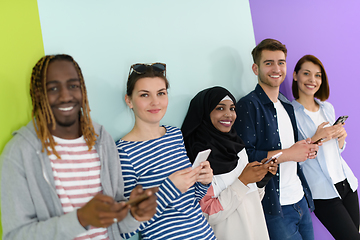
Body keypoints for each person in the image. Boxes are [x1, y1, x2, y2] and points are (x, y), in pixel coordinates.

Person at [0, 54, 157, 240]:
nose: (65, 96)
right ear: (38, 94)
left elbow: (117, 222)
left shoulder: (102, 140)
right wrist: (80, 219)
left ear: (82, 89)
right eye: (53, 88)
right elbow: (15, 236)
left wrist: (134, 214)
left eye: (73, 86)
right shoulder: (19, 152)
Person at [116, 63, 216, 240]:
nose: (155, 102)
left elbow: (191, 200)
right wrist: (169, 189)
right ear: (129, 100)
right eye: (145, 95)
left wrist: (203, 182)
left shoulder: (175, 134)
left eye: (161, 93)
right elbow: (125, 228)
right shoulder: (123, 152)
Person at [233, 39, 319, 240]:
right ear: (256, 68)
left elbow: (290, 150)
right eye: (268, 63)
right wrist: (290, 154)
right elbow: (246, 156)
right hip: (275, 206)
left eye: (281, 62)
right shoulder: (248, 105)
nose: (276, 68)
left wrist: (304, 149)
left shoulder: (286, 105)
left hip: (300, 199)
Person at [181, 86, 279, 240]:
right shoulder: (198, 156)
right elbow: (207, 214)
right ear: (205, 113)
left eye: (232, 108)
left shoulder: (238, 147)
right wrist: (243, 180)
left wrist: (261, 179)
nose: (229, 114)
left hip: (256, 232)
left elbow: (252, 198)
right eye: (220, 108)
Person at [291, 55, 359, 240]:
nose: (312, 80)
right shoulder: (291, 113)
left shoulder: (327, 108)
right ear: (295, 76)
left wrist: (341, 140)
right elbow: (296, 158)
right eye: (306, 74)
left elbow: (335, 152)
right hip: (322, 191)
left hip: (346, 183)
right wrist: (315, 138)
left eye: (317, 75)